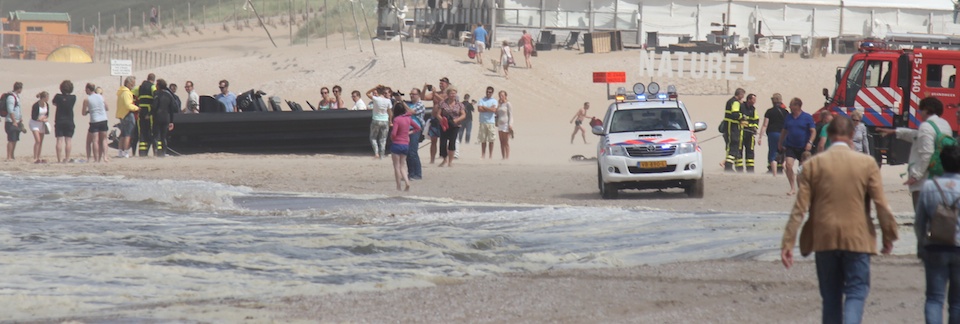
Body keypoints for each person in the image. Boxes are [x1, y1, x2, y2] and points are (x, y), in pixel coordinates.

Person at [780, 116, 898, 324]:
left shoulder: (814, 165)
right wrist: (889, 235)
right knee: (855, 292)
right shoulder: (866, 163)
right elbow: (881, 204)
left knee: (831, 298)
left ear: (829, 134)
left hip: (824, 238)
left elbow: (800, 208)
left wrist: (788, 243)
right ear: (852, 135)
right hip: (858, 238)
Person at [878, 97, 953, 208]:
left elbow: (926, 154)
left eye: (920, 110)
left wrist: (916, 176)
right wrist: (895, 131)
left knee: (921, 216)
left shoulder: (926, 126)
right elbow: (917, 135)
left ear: (927, 109)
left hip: (925, 179)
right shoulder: (944, 124)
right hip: (940, 174)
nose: (919, 113)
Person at [915, 144, 960, 323]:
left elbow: (920, 222)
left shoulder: (929, 187)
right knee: (957, 302)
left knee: (934, 298)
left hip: (935, 246)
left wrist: (921, 245)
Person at [777, 98, 816, 196]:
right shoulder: (788, 117)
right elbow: (784, 131)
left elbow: (813, 131)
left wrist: (810, 143)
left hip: (803, 147)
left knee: (802, 170)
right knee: (788, 165)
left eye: (791, 105)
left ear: (798, 106)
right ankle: (792, 188)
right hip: (791, 145)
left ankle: (802, 188)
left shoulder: (807, 117)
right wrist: (780, 142)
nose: (789, 107)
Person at [390, 91, 420, 191]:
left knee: (396, 166)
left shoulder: (397, 120)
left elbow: (394, 133)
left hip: (397, 144)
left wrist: (392, 138)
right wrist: (409, 133)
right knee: (403, 165)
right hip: (405, 144)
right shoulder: (408, 118)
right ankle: (407, 182)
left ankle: (398, 186)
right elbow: (417, 128)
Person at [423, 77, 452, 163]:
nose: (441, 85)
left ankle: (445, 158)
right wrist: (424, 88)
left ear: (447, 84)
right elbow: (423, 97)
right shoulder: (435, 94)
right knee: (433, 140)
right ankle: (432, 159)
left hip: (444, 119)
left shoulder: (448, 95)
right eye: (440, 83)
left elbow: (445, 102)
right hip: (434, 119)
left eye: (442, 83)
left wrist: (435, 94)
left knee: (444, 140)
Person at [759, 93, 788, 175]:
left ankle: (774, 174)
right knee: (783, 152)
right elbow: (788, 124)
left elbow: (765, 125)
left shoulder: (769, 111)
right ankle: (785, 169)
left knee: (773, 153)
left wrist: (760, 137)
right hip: (783, 134)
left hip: (773, 133)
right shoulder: (785, 112)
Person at [438, 87, 465, 167]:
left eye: (454, 93)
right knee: (443, 143)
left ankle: (450, 161)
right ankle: (444, 159)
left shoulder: (459, 104)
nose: (453, 95)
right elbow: (438, 114)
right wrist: (442, 119)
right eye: (451, 93)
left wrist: (456, 120)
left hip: (454, 125)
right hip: (444, 125)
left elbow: (463, 114)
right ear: (448, 94)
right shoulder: (443, 103)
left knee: (452, 143)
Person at [81, 83, 109, 163]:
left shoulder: (87, 99)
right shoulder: (101, 97)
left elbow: (83, 113)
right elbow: (107, 108)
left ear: (88, 89)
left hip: (95, 120)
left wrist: (88, 111)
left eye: (86, 89)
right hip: (103, 119)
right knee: (104, 139)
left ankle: (96, 159)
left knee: (95, 140)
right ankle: (105, 157)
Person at [152, 79, 177, 158]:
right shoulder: (169, 95)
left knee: (157, 136)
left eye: (157, 85)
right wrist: (172, 121)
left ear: (159, 86)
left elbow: (155, 106)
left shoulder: (157, 94)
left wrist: (150, 114)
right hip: (166, 118)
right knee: (164, 136)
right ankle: (163, 152)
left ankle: (157, 152)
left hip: (158, 117)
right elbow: (173, 109)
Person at [53, 80, 76, 163]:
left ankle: (59, 159)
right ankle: (67, 158)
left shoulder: (58, 97)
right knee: (68, 140)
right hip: (69, 120)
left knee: (59, 140)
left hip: (59, 120)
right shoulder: (73, 97)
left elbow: (54, 103)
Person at [133, 73, 156, 157]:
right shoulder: (153, 87)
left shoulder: (139, 87)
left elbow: (132, 94)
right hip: (149, 110)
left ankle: (142, 152)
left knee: (142, 131)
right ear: (153, 80)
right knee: (150, 130)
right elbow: (156, 96)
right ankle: (154, 151)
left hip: (141, 110)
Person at [723, 88, 745, 172]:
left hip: (729, 126)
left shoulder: (730, 101)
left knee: (730, 146)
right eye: (742, 95)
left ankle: (731, 166)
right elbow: (735, 114)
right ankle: (728, 166)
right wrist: (742, 116)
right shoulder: (735, 102)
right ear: (740, 94)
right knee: (733, 145)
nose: (743, 97)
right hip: (733, 127)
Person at [366, 85, 392, 159]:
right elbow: (390, 112)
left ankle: (376, 153)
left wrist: (374, 88)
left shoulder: (376, 99)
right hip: (385, 119)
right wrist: (390, 121)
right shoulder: (388, 101)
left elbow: (367, 93)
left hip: (376, 119)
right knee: (383, 139)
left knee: (373, 137)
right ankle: (382, 155)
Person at [116, 76, 138, 158]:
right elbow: (128, 105)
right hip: (127, 114)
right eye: (132, 84)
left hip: (122, 115)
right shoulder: (126, 92)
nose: (133, 85)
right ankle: (125, 152)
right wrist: (137, 108)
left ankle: (120, 152)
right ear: (128, 83)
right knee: (128, 134)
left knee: (123, 134)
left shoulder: (121, 92)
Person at [406, 88, 426, 180]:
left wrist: (402, 103)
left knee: (413, 152)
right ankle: (410, 173)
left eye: (414, 94)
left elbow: (411, 111)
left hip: (416, 130)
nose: (412, 95)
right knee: (407, 152)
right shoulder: (408, 104)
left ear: (418, 95)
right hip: (406, 129)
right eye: (411, 94)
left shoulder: (420, 105)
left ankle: (417, 174)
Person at [740, 94, 760, 172]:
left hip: (750, 133)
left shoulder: (753, 109)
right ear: (749, 99)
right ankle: (739, 169)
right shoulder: (741, 107)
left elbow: (756, 120)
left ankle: (750, 169)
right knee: (739, 150)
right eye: (753, 100)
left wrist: (754, 127)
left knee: (750, 151)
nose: (755, 101)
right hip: (741, 132)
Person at [29, 91, 50, 163]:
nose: (48, 98)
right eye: (47, 97)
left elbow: (47, 114)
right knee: (37, 140)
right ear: (43, 98)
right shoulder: (36, 105)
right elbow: (33, 116)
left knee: (41, 141)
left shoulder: (47, 104)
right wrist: (39, 119)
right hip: (34, 123)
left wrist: (45, 118)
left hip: (42, 124)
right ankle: (35, 157)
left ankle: (38, 156)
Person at [477, 86, 498, 159]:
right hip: (483, 121)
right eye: (487, 92)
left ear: (492, 93)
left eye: (490, 92)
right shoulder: (481, 100)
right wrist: (489, 108)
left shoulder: (494, 101)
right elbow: (479, 109)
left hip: (491, 122)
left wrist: (485, 107)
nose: (488, 93)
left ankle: (490, 155)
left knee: (491, 139)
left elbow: (494, 110)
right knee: (483, 139)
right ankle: (483, 155)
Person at [4, 82, 23, 162]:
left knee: (15, 139)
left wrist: (20, 118)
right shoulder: (11, 97)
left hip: (17, 121)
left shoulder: (17, 97)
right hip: (10, 121)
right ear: (19, 88)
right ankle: (8, 156)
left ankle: (12, 155)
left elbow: (17, 109)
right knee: (11, 139)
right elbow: (10, 110)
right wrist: (14, 121)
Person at [496, 90, 513, 160]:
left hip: (506, 124)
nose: (501, 97)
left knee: (506, 142)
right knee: (501, 141)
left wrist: (510, 124)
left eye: (502, 95)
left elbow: (511, 115)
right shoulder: (499, 104)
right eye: (500, 95)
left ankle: (507, 157)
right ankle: (503, 157)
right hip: (500, 124)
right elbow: (497, 114)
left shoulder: (508, 104)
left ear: (505, 96)